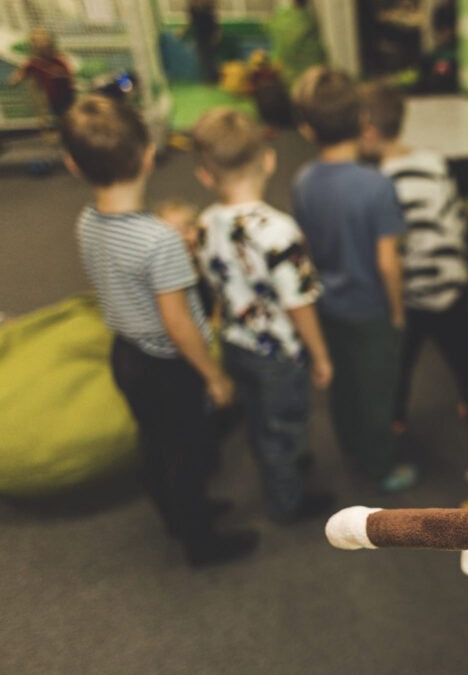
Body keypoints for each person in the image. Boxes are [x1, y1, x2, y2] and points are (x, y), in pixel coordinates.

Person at [64, 94, 258, 567]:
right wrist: (214, 376)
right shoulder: (160, 241)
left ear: (73, 166)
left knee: (156, 444)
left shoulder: (87, 222)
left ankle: (176, 516)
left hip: (125, 355)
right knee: (188, 454)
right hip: (168, 366)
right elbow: (178, 324)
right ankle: (201, 543)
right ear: (150, 155)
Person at [191, 107, 335, 523]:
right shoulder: (279, 231)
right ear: (268, 160)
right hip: (278, 354)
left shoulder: (204, 224)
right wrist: (321, 356)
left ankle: (277, 467)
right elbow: (298, 303)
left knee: (258, 417)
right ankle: (287, 500)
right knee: (284, 425)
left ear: (205, 176)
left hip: (235, 343)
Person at [290, 68, 416, 492]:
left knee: (341, 386)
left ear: (307, 129)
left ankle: (349, 448)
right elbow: (388, 264)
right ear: (363, 120)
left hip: (327, 308)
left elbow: (305, 246)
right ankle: (379, 468)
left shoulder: (302, 181)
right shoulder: (376, 186)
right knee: (376, 393)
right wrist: (396, 312)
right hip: (371, 312)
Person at [358, 81, 468, 434]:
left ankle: (395, 418)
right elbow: (456, 216)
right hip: (453, 283)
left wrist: (392, 305)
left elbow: (391, 251)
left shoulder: (380, 184)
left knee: (399, 362)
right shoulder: (434, 161)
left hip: (411, 293)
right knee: (465, 356)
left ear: (368, 133)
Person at [7, 27, 75, 125]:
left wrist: (60, 74)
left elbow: (70, 76)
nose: (40, 44)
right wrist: (16, 78)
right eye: (36, 41)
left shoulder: (59, 59)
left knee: (69, 120)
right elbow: (17, 77)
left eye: (42, 40)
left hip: (67, 98)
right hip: (52, 101)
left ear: (49, 41)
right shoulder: (33, 62)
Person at [266, 0, 326, 87]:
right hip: (310, 78)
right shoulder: (310, 19)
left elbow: (270, 28)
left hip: (286, 76)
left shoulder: (281, 18)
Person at [184, 0, 220, 84]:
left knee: (210, 57)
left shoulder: (206, 7)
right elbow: (191, 22)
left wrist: (215, 34)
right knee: (203, 58)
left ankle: (214, 79)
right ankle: (209, 79)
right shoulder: (192, 9)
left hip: (209, 34)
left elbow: (213, 21)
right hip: (200, 36)